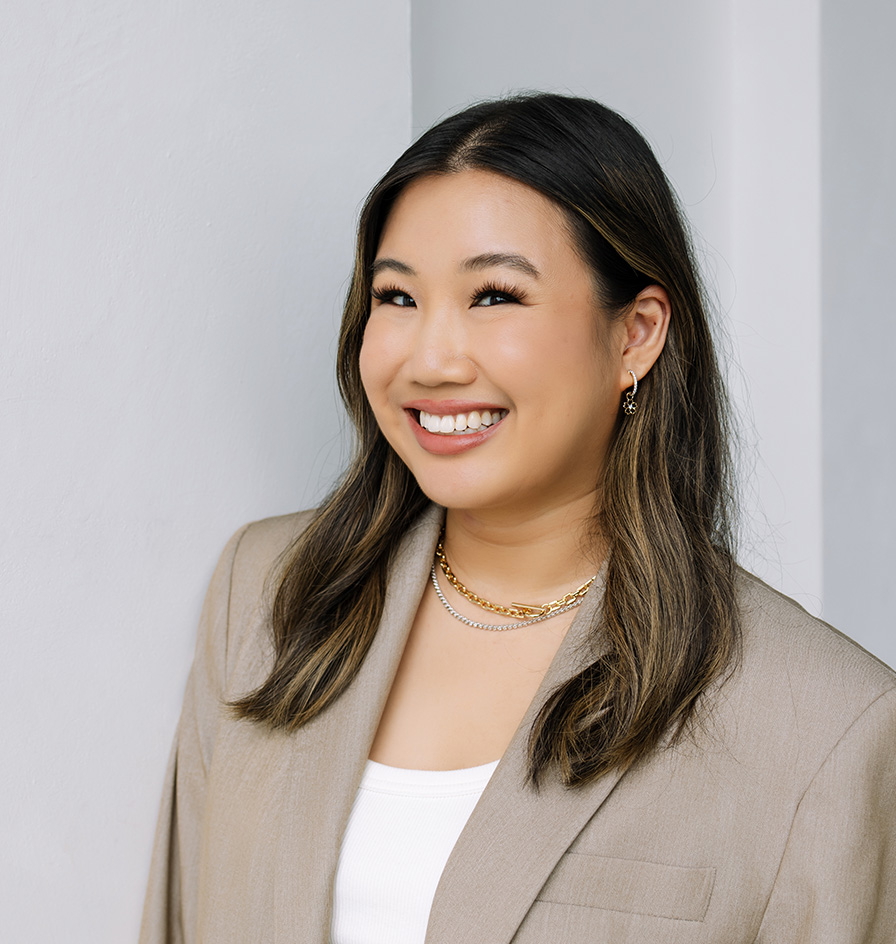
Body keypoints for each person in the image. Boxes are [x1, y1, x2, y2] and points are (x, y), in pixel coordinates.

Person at [139, 94, 896, 944]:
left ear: (636, 335)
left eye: (495, 296)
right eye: (396, 298)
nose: (430, 358)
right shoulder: (271, 594)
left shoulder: (825, 722)